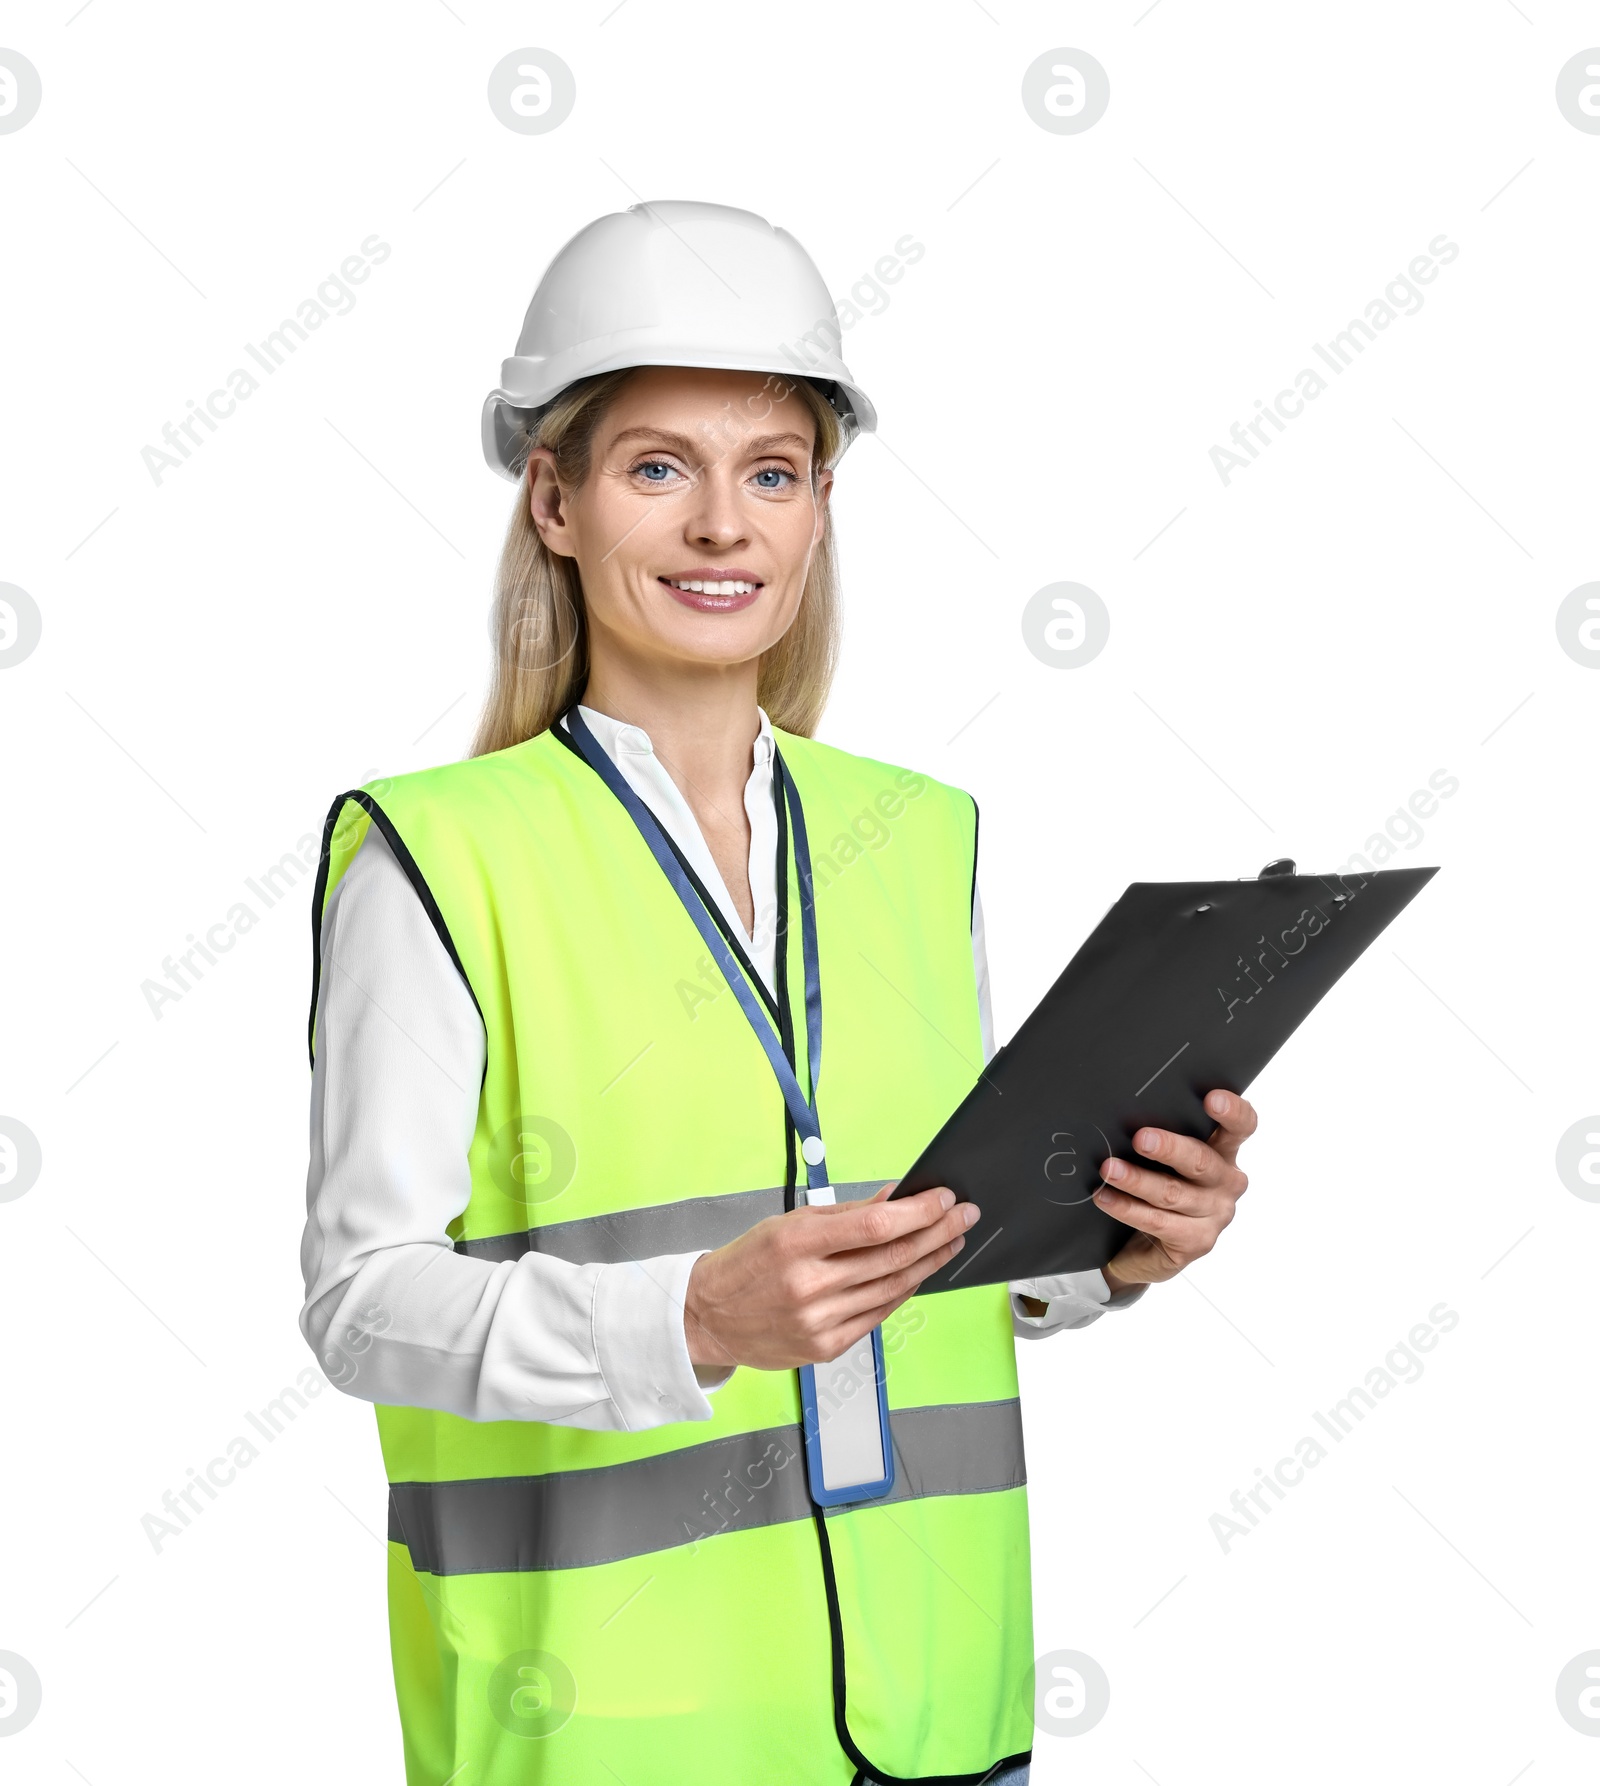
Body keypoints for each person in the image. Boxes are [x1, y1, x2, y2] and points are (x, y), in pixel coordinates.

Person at [300, 201, 1255, 1786]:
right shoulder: (438, 858)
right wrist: (688, 1316)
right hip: (609, 1733)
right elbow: (358, 1300)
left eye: (773, 471)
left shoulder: (915, 836)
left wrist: (1115, 1247)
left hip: (939, 1714)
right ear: (553, 497)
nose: (721, 527)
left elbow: (954, 1251)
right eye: (657, 466)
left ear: (818, 511)